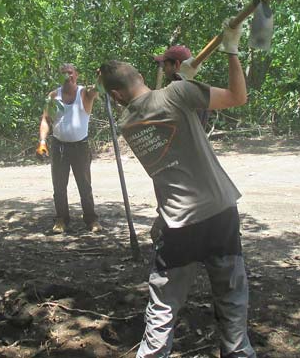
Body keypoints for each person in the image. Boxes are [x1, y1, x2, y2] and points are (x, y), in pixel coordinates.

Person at [98, 19, 256, 358]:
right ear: (140, 76)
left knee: (163, 309)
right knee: (231, 303)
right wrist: (231, 51)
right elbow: (238, 97)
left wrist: (183, 78)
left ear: (116, 95)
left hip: (177, 223)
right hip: (218, 212)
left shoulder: (127, 125)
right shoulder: (178, 94)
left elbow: (160, 106)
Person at [36, 63, 101, 234]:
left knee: (85, 185)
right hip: (59, 146)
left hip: (81, 146)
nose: (67, 76)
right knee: (59, 185)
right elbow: (45, 120)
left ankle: (91, 219)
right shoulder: (53, 96)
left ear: (76, 75)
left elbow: (97, 89)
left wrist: (101, 77)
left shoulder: (84, 93)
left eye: (70, 73)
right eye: (63, 73)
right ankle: (61, 220)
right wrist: (42, 142)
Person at [154, 45, 211, 128]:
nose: (164, 70)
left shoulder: (174, 93)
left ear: (176, 64)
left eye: (166, 65)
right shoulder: (201, 91)